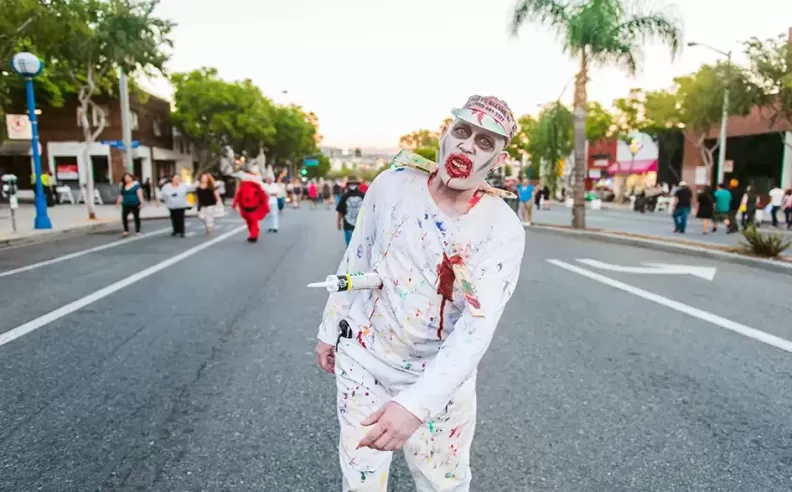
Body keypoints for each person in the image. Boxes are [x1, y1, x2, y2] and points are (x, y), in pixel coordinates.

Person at [315, 95, 525, 491]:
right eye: (462, 132)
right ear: (444, 136)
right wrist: (330, 330)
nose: (468, 145)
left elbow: (476, 330)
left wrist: (415, 405)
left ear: (497, 162)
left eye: (485, 142)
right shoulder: (392, 185)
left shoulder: (502, 229)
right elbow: (357, 256)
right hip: (365, 355)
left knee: (441, 483)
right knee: (359, 478)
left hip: (439, 376)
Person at [232, 169, 270, 243]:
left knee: (253, 221)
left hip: (253, 208)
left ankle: (254, 235)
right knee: (250, 222)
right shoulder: (243, 187)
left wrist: (266, 206)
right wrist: (234, 203)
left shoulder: (257, 187)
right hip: (245, 208)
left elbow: (263, 197)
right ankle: (252, 234)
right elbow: (238, 195)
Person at [336, 176, 365, 245]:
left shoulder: (363, 195)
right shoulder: (344, 196)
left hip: (360, 224)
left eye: (354, 183)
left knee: (359, 245)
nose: (353, 185)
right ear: (348, 185)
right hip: (348, 223)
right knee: (349, 244)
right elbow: (340, 210)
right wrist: (338, 222)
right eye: (351, 184)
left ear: (358, 184)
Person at [116, 172, 144, 237]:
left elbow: (140, 194)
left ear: (131, 178)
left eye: (128, 177)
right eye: (125, 178)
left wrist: (142, 203)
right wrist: (118, 203)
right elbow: (121, 195)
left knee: (136, 217)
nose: (127, 179)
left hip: (135, 203)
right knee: (124, 217)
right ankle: (126, 230)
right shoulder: (123, 186)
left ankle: (138, 231)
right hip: (126, 204)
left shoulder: (136, 185)